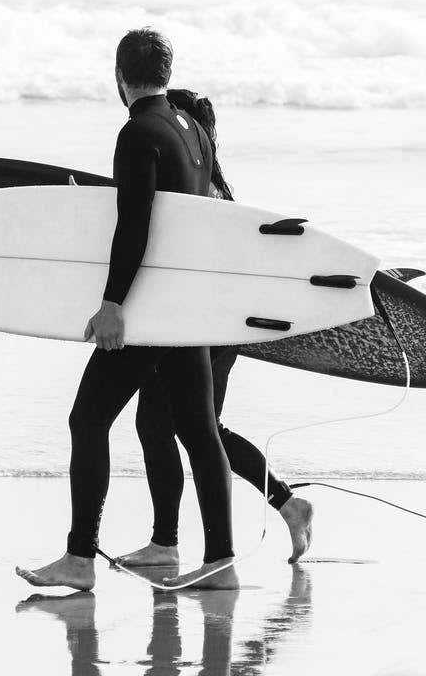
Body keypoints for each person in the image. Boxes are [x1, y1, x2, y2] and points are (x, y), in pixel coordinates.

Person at [16, 28, 238, 592]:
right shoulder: (191, 128)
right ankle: (219, 560)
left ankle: (79, 557)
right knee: (197, 428)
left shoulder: (137, 132)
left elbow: (135, 222)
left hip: (150, 309)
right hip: (184, 307)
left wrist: (113, 305)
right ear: (166, 70)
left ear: (119, 76)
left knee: (88, 418)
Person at [114, 89, 314, 568]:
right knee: (181, 428)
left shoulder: (198, 192)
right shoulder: (210, 185)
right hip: (206, 324)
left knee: (187, 428)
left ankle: (172, 543)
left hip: (207, 327)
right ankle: (280, 508)